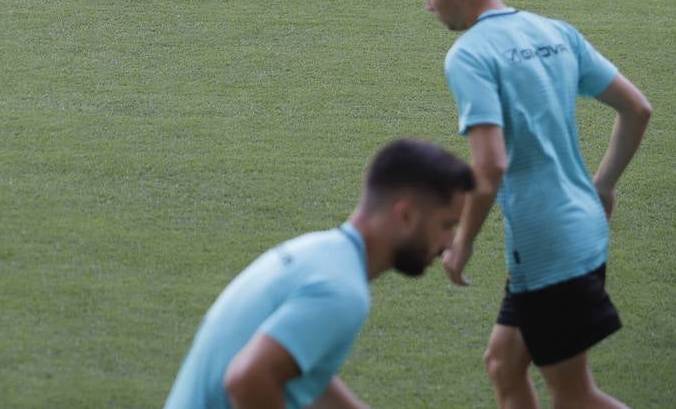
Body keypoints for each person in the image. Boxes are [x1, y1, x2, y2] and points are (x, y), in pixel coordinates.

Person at [405, 0, 653, 409]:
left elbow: (491, 165)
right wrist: (602, 187)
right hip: (581, 228)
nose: (428, 5)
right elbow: (637, 109)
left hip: (548, 248)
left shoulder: (470, 55)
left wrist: (462, 243)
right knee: (503, 364)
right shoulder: (554, 32)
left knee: (575, 397)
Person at [164, 139, 475, 409]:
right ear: (406, 215)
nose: (450, 244)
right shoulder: (340, 292)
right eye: (447, 225)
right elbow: (248, 378)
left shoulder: (317, 252)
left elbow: (297, 370)